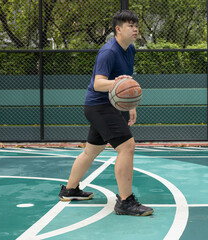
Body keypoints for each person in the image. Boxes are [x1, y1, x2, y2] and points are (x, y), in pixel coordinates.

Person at [58, 10, 153, 216]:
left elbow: (127, 81)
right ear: (118, 29)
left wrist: (131, 105)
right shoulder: (108, 52)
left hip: (108, 106)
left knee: (90, 151)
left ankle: (70, 190)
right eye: (130, 25)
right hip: (98, 106)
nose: (135, 29)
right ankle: (125, 202)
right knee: (127, 146)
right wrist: (119, 83)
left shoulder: (130, 49)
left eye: (136, 25)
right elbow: (99, 83)